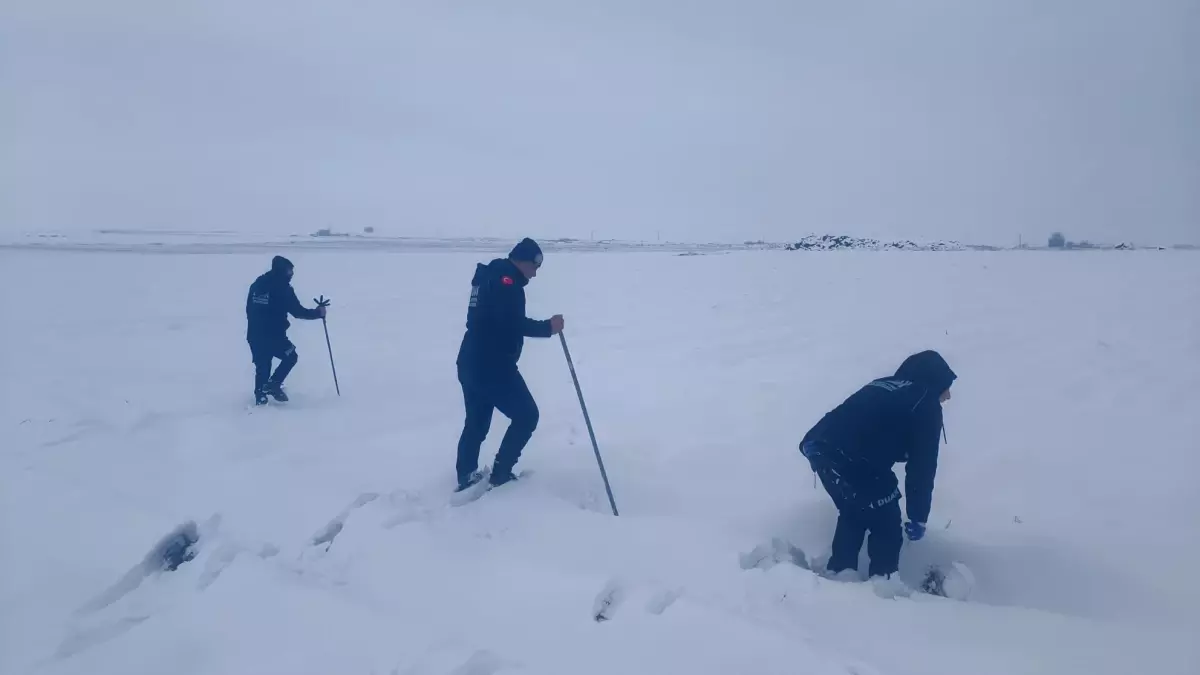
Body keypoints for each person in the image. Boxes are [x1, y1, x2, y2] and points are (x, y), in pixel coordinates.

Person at [799, 350, 956, 587]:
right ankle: (883, 585)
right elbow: (922, 466)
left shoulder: (884, 384)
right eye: (946, 385)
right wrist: (917, 516)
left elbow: (846, 414)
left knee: (855, 508)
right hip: (854, 458)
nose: (948, 394)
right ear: (933, 380)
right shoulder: (925, 403)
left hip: (820, 447)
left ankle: (839, 576)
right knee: (886, 520)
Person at [455, 238, 564, 491]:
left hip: (470, 361)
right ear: (524, 260)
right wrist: (548, 327)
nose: (535, 274)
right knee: (527, 415)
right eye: (535, 267)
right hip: (493, 366)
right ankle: (501, 473)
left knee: (477, 422)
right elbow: (510, 322)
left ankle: (466, 475)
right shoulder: (507, 281)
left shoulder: (489, 276)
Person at [245, 255, 327, 405]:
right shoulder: (283, 289)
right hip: (274, 336)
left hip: (255, 334)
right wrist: (317, 313)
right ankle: (273, 384)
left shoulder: (258, 284)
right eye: (289, 271)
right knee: (291, 356)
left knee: (263, 365)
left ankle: (261, 396)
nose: (291, 275)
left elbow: (248, 308)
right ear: (282, 271)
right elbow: (297, 311)